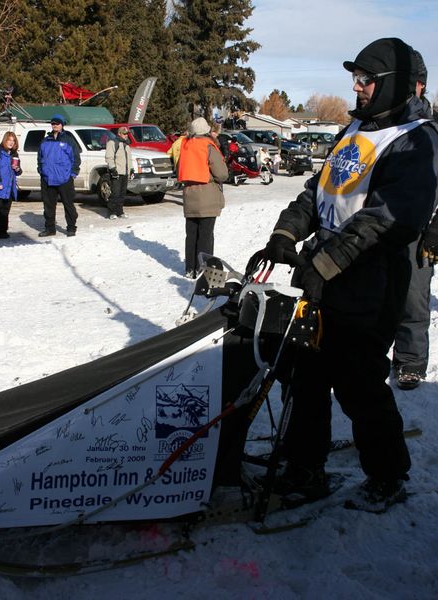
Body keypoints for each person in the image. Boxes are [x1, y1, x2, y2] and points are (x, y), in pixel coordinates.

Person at [259, 38, 438, 512]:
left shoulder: (416, 138)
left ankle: (388, 474)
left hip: (373, 279)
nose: (357, 88)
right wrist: (286, 233)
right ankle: (305, 466)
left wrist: (325, 264)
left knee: (357, 381)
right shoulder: (355, 129)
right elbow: (319, 192)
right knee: (307, 375)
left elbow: (387, 219)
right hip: (330, 269)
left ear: (394, 83)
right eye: (355, 79)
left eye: (366, 80)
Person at [392, 51, 436, 390]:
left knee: (413, 293)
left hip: (421, 230)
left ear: (419, 86)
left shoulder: (429, 131)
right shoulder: (384, 124)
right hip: (384, 221)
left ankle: (410, 360)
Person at [177, 116, 228, 279]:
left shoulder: (185, 146)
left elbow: (179, 168)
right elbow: (222, 174)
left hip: (189, 196)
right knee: (206, 236)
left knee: (191, 235)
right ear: (206, 131)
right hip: (207, 196)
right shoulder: (208, 146)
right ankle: (203, 270)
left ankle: (189, 268)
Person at [37, 114, 81, 237]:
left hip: (64, 179)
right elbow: (39, 157)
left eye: (57, 123)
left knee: (68, 204)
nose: (55, 125)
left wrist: (72, 174)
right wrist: (41, 171)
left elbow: (76, 158)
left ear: (62, 125)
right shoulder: (45, 140)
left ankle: (71, 227)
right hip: (48, 179)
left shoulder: (68, 140)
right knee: (48, 206)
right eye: (53, 123)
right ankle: (50, 228)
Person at [105, 126, 133, 219]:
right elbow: (109, 157)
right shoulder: (112, 143)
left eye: (127, 134)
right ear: (119, 133)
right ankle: (112, 212)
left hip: (124, 172)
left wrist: (131, 170)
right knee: (115, 193)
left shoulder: (127, 145)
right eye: (124, 134)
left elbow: (129, 159)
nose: (126, 135)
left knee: (122, 193)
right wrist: (113, 169)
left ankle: (120, 211)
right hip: (117, 172)